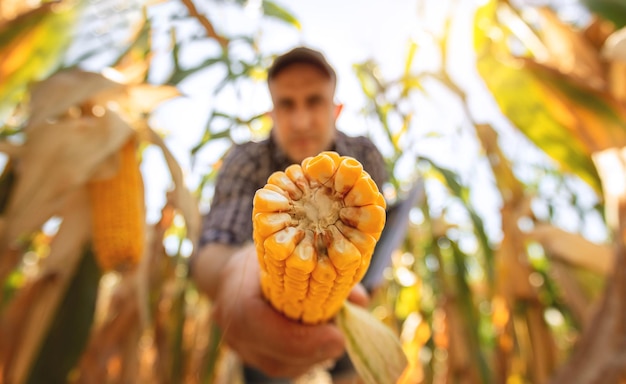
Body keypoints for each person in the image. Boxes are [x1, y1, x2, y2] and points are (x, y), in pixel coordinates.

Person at [190, 46, 389, 383]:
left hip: (349, 320)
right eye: (287, 104)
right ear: (272, 112)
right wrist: (234, 275)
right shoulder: (247, 160)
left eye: (314, 102)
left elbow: (372, 236)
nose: (300, 121)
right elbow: (211, 250)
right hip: (264, 331)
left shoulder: (364, 154)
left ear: (335, 109)